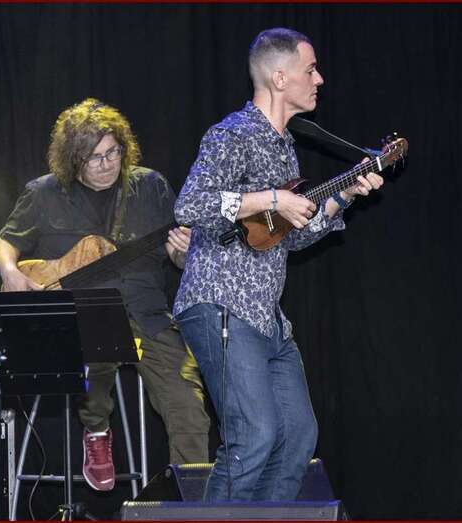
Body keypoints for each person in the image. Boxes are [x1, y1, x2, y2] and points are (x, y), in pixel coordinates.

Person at [173, 27, 384, 502]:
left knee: (296, 439)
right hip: (221, 305)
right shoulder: (233, 133)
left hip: (266, 318)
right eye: (311, 70)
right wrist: (271, 197)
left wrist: (344, 195)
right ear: (280, 76)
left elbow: (288, 237)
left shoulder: (284, 144)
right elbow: (190, 205)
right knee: (253, 438)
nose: (320, 79)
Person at [0, 98, 211, 491]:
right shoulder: (43, 194)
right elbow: (6, 243)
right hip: (83, 318)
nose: (107, 163)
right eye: (94, 157)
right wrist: (10, 273)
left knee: (190, 405)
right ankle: (96, 430)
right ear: (73, 160)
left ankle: (192, 501)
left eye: (113, 152)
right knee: (96, 347)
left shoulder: (150, 186)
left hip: (148, 316)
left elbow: (180, 258)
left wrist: (181, 252)